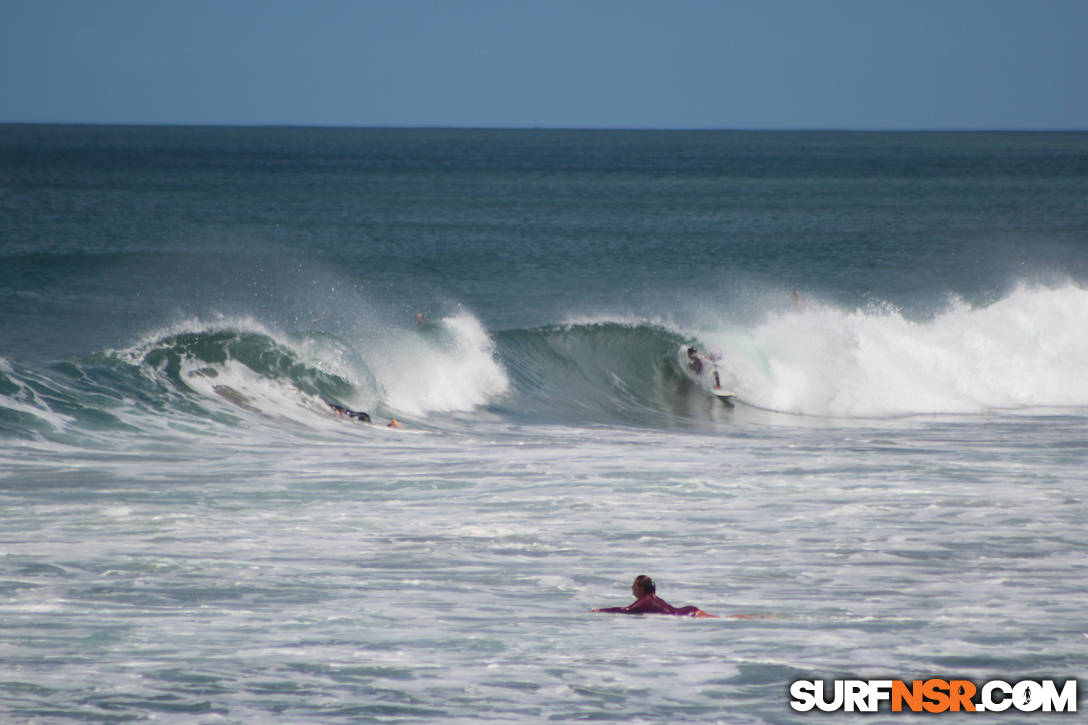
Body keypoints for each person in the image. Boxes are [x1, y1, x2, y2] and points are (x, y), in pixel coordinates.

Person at [591, 575, 717, 618]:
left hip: (690, 614)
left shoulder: (646, 600)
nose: (632, 588)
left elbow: (626, 610)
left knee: (727, 618)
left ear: (641, 588)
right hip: (690, 611)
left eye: (634, 585)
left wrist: (600, 610)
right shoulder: (651, 598)